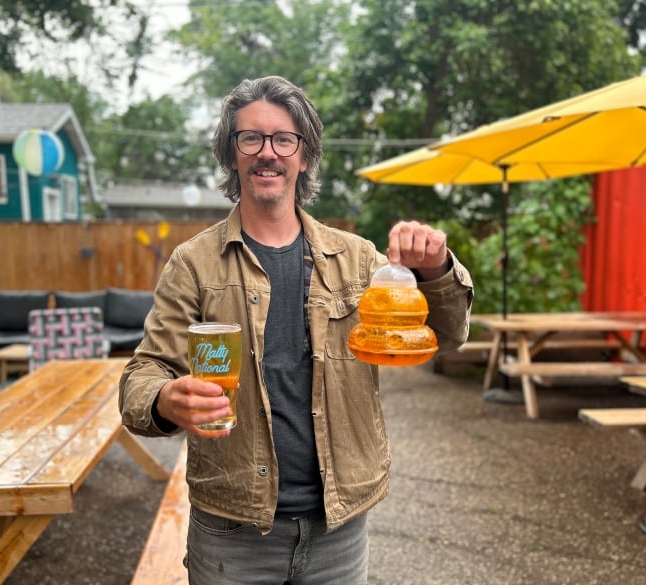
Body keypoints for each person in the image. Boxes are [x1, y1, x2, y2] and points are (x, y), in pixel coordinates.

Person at [119, 75, 473, 585]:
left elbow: (450, 332)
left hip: (339, 531)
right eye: (251, 138)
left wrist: (437, 268)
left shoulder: (357, 261)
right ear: (232, 153)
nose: (268, 152)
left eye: (284, 139)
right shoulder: (193, 265)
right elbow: (143, 373)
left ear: (304, 156)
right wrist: (165, 400)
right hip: (231, 531)